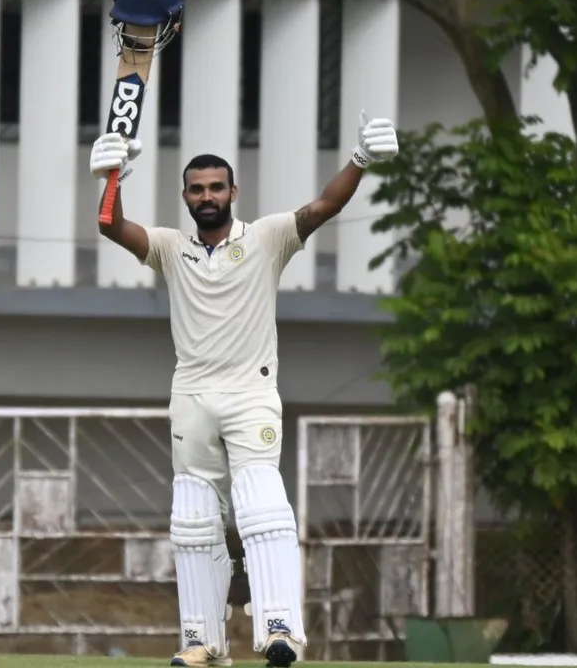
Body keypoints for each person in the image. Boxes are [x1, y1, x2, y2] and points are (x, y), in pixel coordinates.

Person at [89, 112, 398, 667]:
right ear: (185, 196)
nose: (206, 196)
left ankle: (280, 629)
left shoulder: (267, 238)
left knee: (261, 505)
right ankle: (201, 641)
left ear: (234, 191)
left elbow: (323, 207)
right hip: (191, 394)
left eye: (216, 187)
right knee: (193, 518)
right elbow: (112, 227)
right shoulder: (169, 247)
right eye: (196, 189)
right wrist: (111, 177)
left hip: (250, 392)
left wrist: (360, 159)